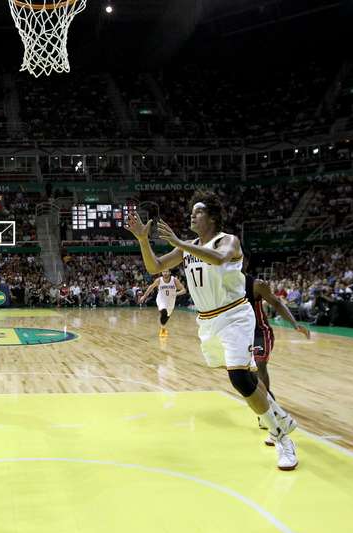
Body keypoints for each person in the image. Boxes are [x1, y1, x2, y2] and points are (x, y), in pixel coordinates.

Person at [126, 192, 299, 471]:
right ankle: (279, 415)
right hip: (207, 321)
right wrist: (143, 241)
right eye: (192, 212)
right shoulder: (188, 247)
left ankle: (282, 438)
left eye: (198, 212)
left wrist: (179, 243)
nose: (192, 215)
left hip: (235, 316)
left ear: (213, 217)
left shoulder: (228, 240)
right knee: (249, 375)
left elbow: (219, 259)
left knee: (239, 377)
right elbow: (154, 267)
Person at [243, 267, 311, 446]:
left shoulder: (257, 285)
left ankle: (271, 416)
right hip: (240, 333)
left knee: (259, 367)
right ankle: (271, 410)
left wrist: (295, 324)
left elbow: (277, 304)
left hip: (260, 332)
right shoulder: (225, 283)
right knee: (244, 375)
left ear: (245, 261)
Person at [138, 270, 186, 337]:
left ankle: (163, 327)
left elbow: (184, 290)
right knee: (164, 311)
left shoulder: (174, 280)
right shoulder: (159, 280)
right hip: (161, 299)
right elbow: (151, 287)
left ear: (170, 272)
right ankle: (163, 328)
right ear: (162, 273)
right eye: (164, 272)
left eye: (167, 272)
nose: (165, 273)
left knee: (167, 316)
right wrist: (144, 296)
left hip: (171, 301)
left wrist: (176, 293)